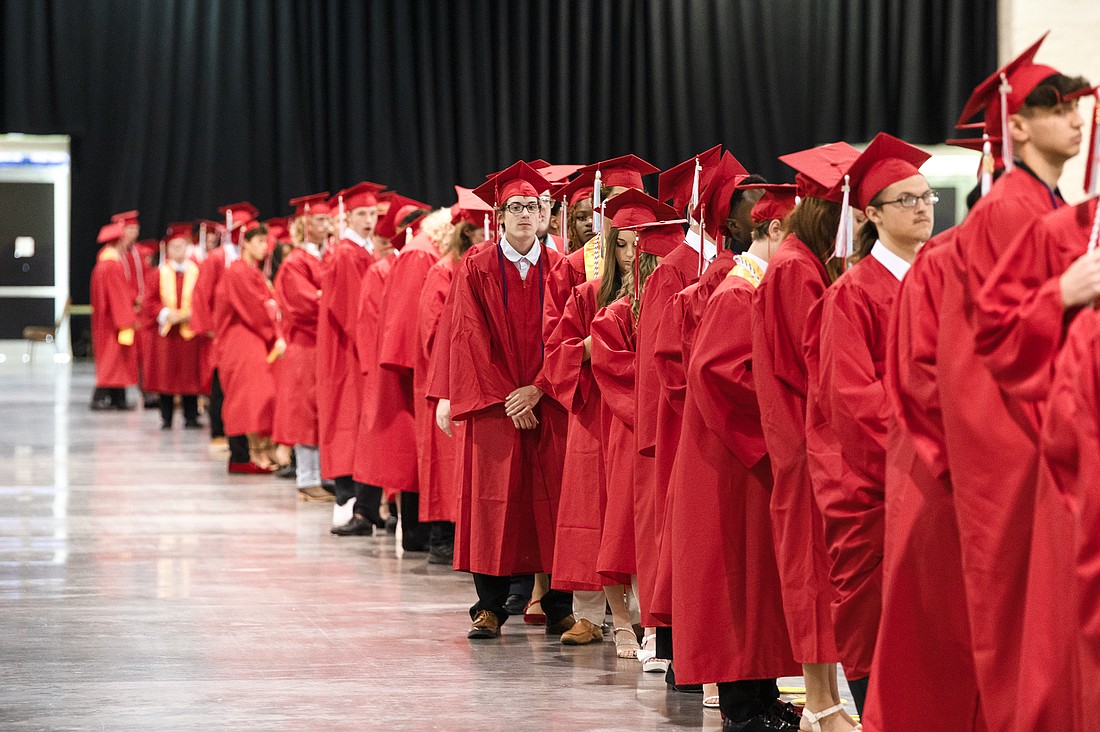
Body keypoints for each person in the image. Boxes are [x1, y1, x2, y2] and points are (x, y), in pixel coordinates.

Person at [934, 35, 1089, 730]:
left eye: (1078, 104)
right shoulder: (1010, 208)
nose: (1076, 117)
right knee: (1028, 621)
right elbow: (990, 337)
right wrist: (1062, 292)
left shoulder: (1046, 202)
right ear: (1016, 124)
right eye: (1055, 106)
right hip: (1019, 438)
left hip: (1046, 428)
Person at [802, 134, 933, 716]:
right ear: (870, 214)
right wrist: (923, 460)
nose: (923, 208)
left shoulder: (939, 284)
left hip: (934, 485)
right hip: (874, 488)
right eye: (906, 200)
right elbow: (856, 406)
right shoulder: (850, 298)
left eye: (927, 197)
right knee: (875, 623)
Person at [670, 184, 802, 730]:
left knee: (756, 584)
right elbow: (716, 374)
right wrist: (785, 419)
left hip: (743, 455)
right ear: (773, 231)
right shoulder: (738, 293)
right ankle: (743, 709)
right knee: (734, 584)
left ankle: (763, 696)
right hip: (731, 458)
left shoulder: (756, 287)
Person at [752, 142, 860, 732]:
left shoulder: (802, 261)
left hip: (806, 440)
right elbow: (811, 364)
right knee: (814, 576)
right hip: (805, 443)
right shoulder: (796, 268)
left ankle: (830, 700)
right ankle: (820, 704)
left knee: (820, 576)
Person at [450, 161, 572, 639]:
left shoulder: (560, 267)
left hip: (547, 402)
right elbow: (468, 337)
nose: (525, 214)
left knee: (554, 502)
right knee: (492, 502)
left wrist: (539, 388)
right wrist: (509, 397)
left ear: (544, 213)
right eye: (516, 207)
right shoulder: (476, 266)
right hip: (497, 406)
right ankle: (489, 606)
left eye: (534, 206)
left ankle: (557, 604)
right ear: (499, 216)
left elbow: (569, 333)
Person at [538, 190, 657, 650]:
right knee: (594, 515)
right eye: (621, 245)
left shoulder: (660, 292)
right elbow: (555, 355)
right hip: (596, 415)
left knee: (634, 516)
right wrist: (596, 345)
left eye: (636, 246)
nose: (629, 255)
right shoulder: (588, 294)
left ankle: (644, 616)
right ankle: (590, 615)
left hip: (636, 417)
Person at [366, 208, 453, 551]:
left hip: (421, 368)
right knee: (418, 454)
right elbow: (410, 320)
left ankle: (422, 536)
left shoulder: (423, 249)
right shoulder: (422, 253)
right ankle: (425, 536)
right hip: (419, 369)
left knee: (419, 456)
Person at [418, 205, 487, 564]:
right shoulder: (443, 271)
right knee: (445, 466)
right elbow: (435, 332)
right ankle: (441, 537)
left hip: (473, 381)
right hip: (452, 379)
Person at [191, 202, 259, 470]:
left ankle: (240, 439)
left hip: (241, 330)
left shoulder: (246, 259)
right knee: (220, 382)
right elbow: (202, 292)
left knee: (235, 386)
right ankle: (219, 431)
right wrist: (208, 326)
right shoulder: (218, 257)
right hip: (221, 331)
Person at [214, 224, 285, 471]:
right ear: (245, 242)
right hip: (241, 340)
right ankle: (253, 452)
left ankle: (265, 448)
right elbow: (255, 309)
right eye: (260, 242)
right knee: (251, 398)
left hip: (254, 338)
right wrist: (274, 331)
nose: (265, 248)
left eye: (266, 242)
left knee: (265, 395)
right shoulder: (237, 272)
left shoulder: (252, 271)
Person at [271, 205, 328, 502]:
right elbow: (305, 304)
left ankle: (324, 475)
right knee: (305, 412)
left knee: (323, 410)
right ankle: (307, 478)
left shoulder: (325, 255)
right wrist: (331, 298)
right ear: (305, 224)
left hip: (324, 345)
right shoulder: (295, 261)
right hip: (305, 346)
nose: (327, 224)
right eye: (320, 219)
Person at [141, 223, 205, 429]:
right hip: (167, 333)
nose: (178, 251)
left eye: (182, 246)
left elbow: (203, 299)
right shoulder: (158, 273)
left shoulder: (198, 272)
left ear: (187, 248)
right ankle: (166, 417)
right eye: (174, 247)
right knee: (165, 377)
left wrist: (188, 314)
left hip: (189, 331)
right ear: (167, 250)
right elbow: (149, 301)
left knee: (190, 376)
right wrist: (168, 314)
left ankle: (191, 416)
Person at [89, 221, 140, 410]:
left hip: (108, 319)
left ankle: (119, 399)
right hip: (113, 321)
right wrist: (127, 319)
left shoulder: (106, 262)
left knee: (118, 360)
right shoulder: (110, 265)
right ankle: (98, 398)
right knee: (112, 359)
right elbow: (117, 295)